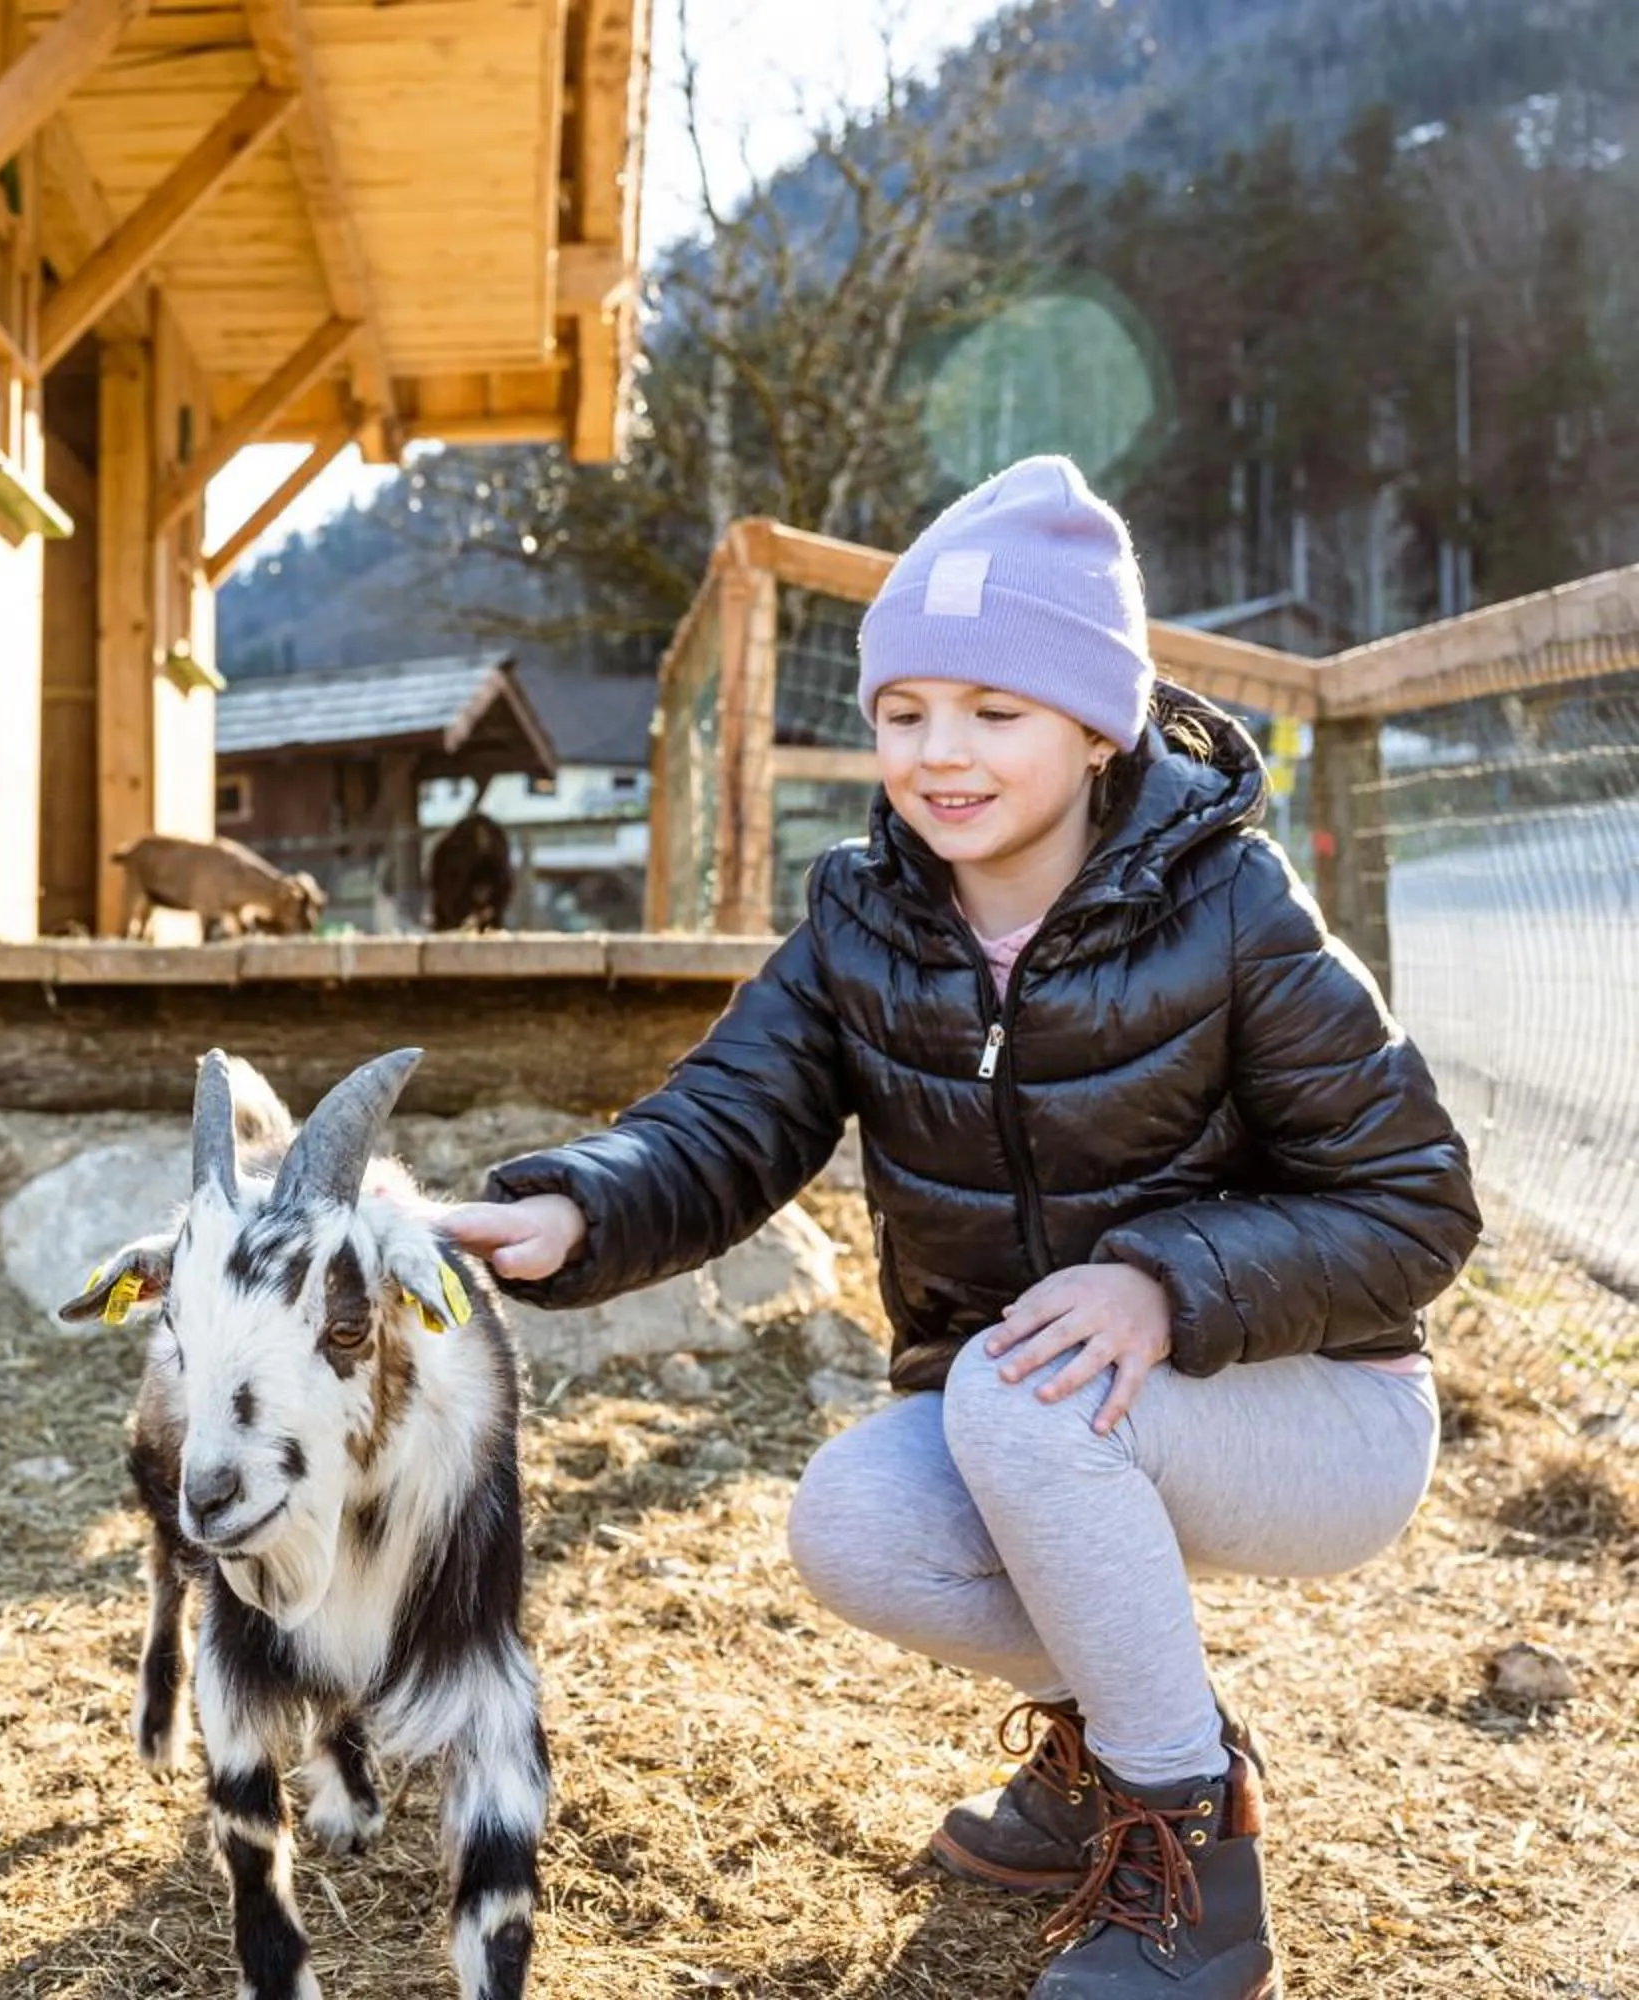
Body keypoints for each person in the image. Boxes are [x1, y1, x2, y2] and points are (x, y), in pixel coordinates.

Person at [442, 455, 1480, 1999]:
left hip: (1318, 1410)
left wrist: (1161, 1282)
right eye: (903, 710)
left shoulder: (1235, 908)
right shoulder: (870, 920)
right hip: (1051, 1412)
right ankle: (1125, 1749)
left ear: (1094, 722)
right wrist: (572, 1206)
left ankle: (1198, 1879)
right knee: (854, 1522)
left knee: (1018, 1379)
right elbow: (724, 1120)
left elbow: (1417, 1205)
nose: (942, 755)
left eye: (995, 711)